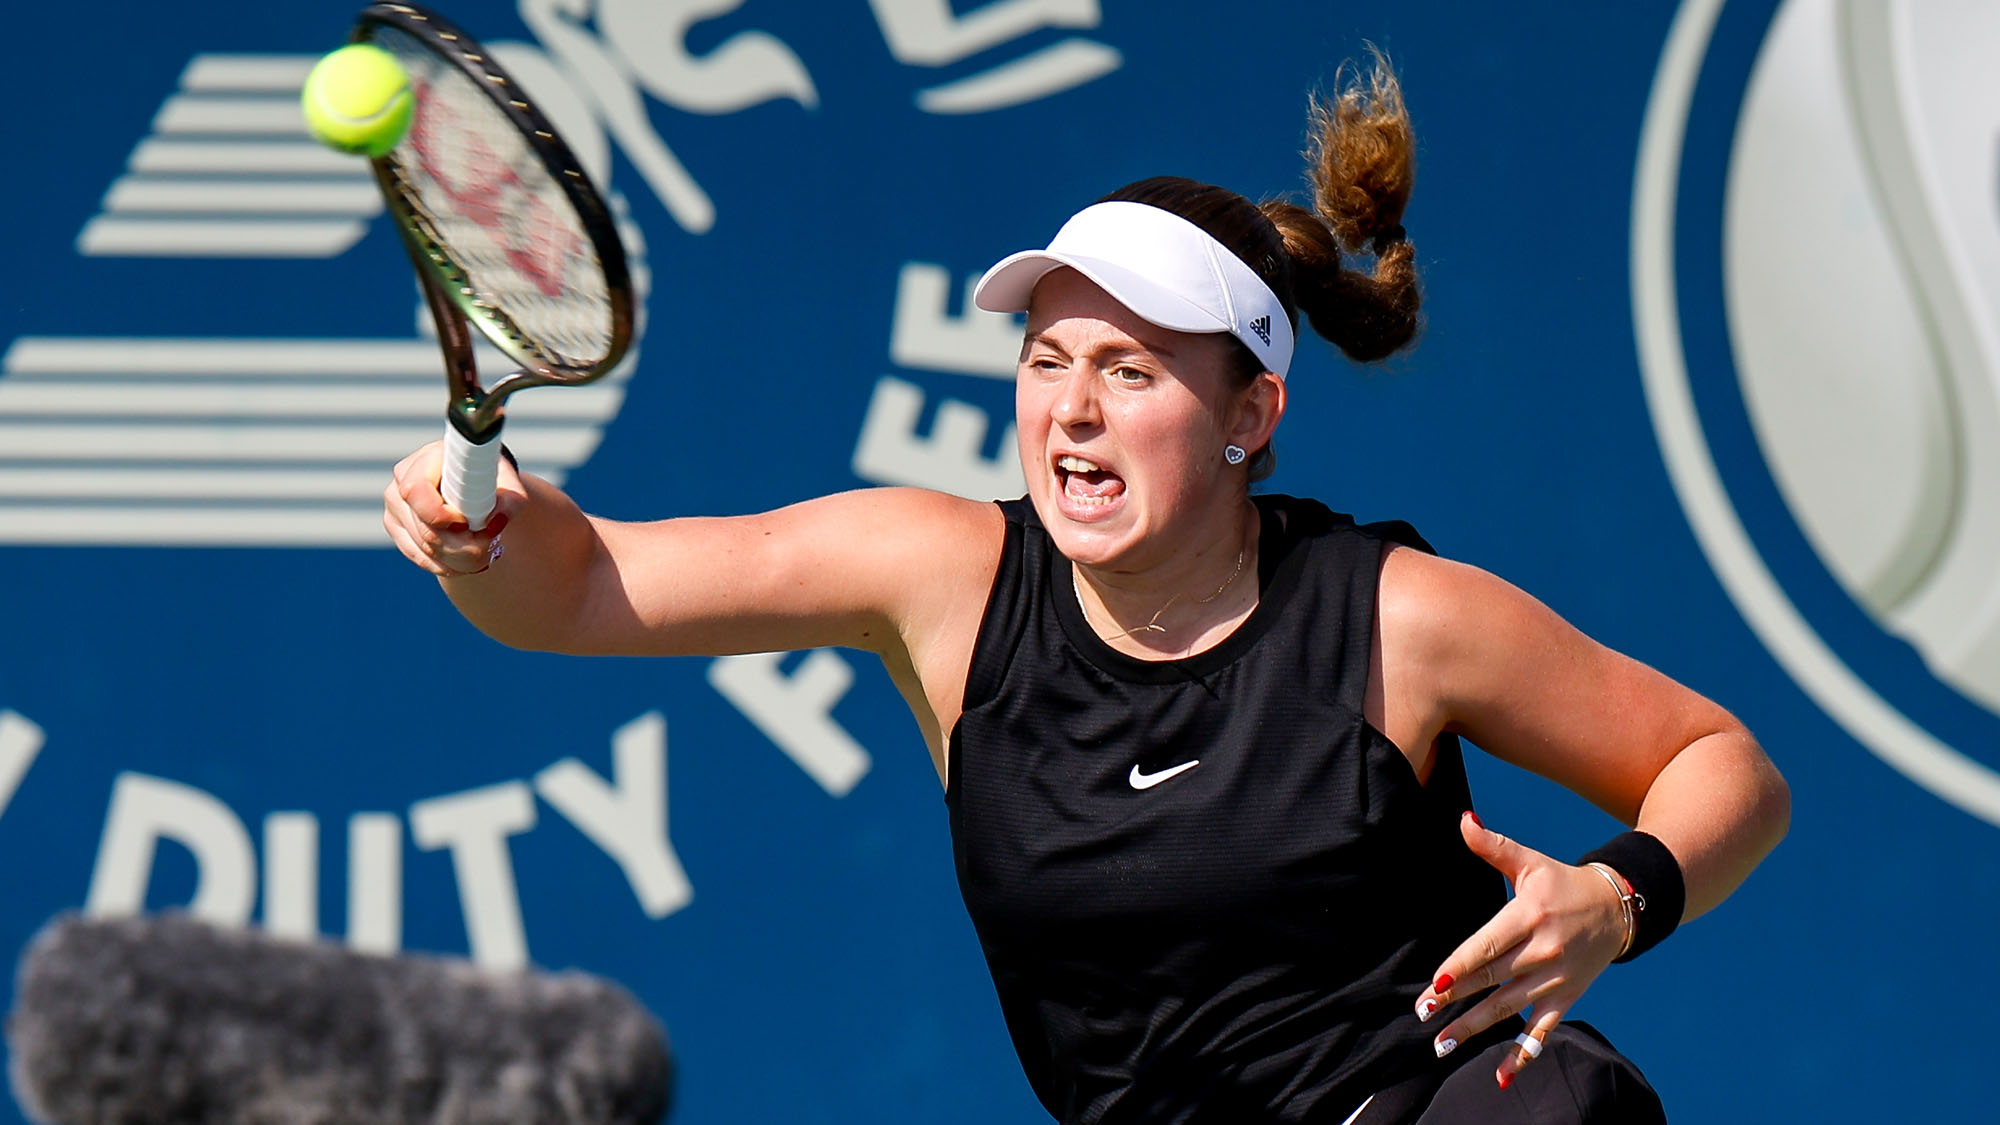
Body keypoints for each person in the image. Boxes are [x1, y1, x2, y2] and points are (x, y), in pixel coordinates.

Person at [383, 54, 1789, 1125]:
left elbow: (1721, 765)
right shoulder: (939, 578)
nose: (1070, 410)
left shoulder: (1397, 615)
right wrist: (487, 530)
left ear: (1250, 418)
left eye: (1131, 372)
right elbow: (576, 589)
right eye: (1047, 360)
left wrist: (1617, 897)